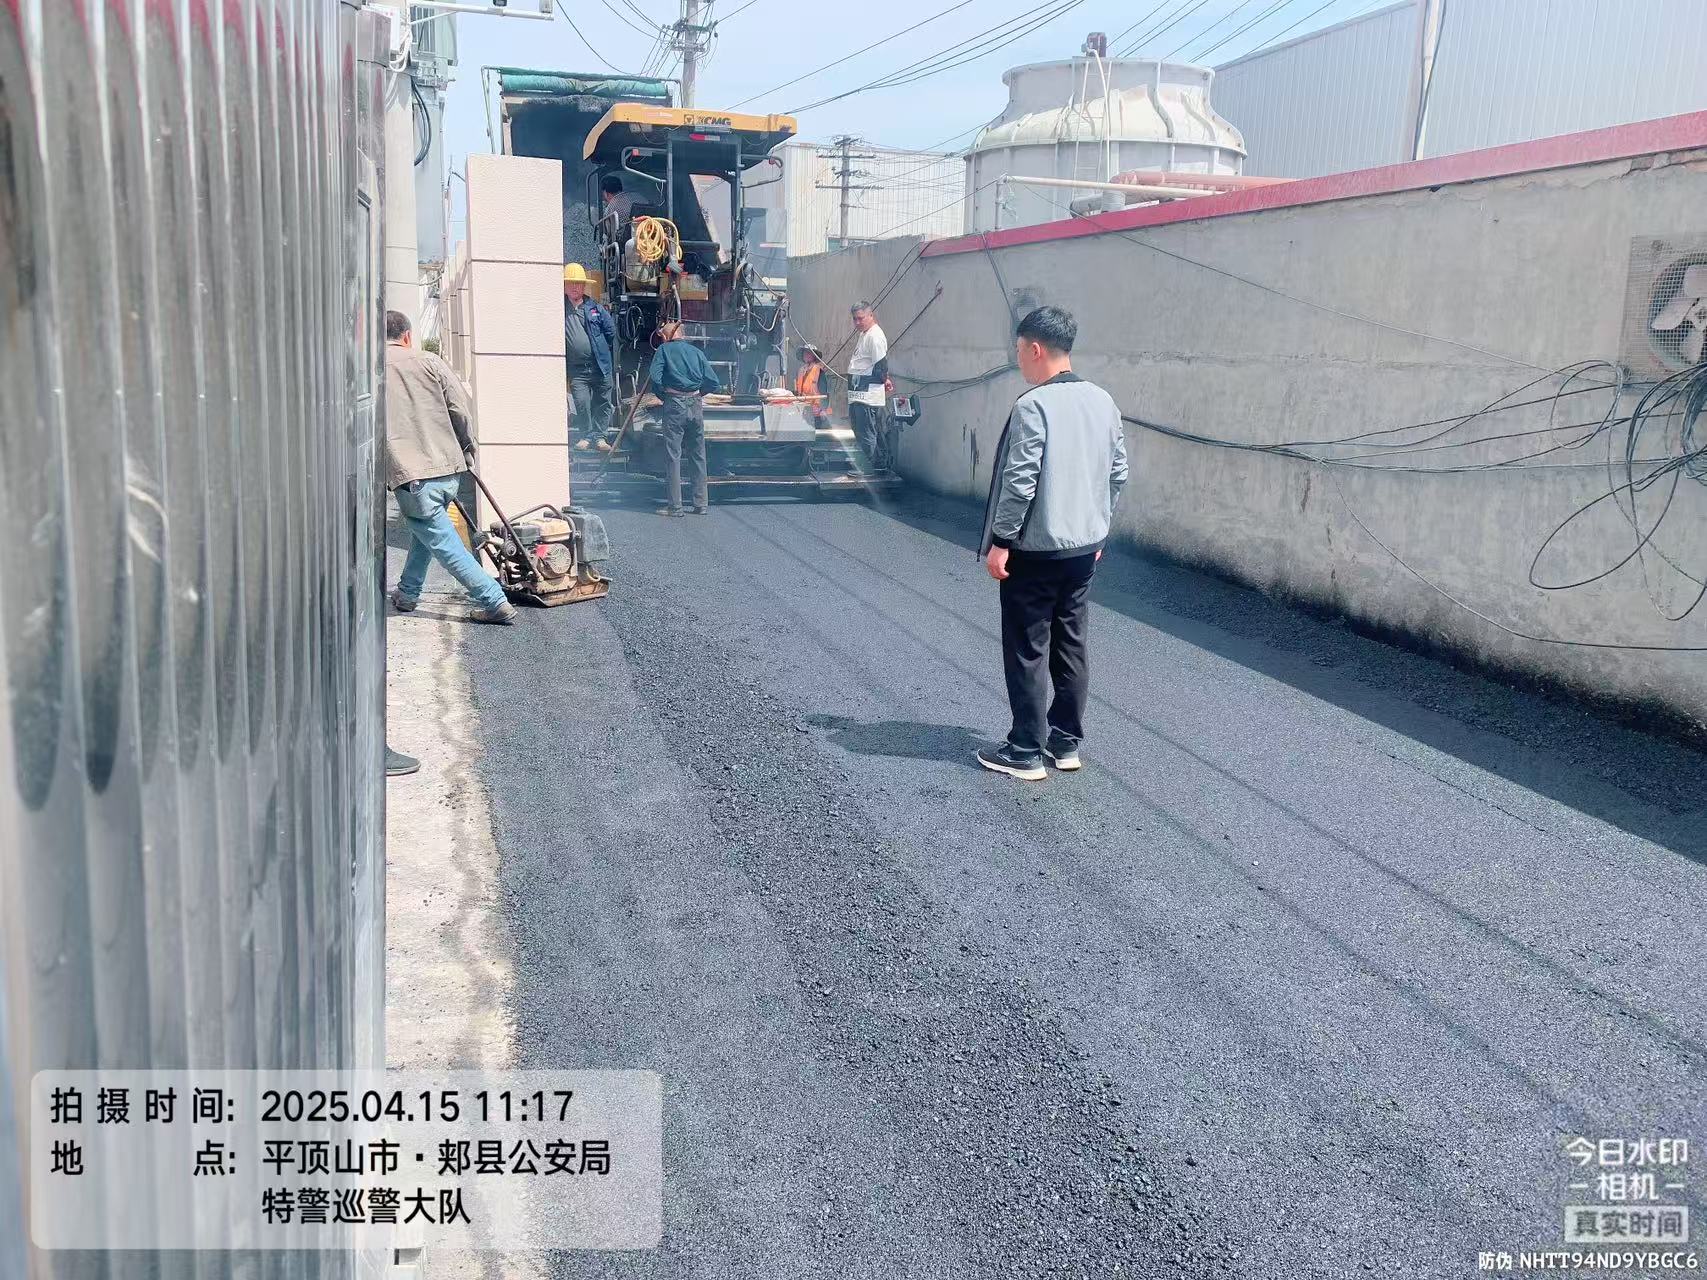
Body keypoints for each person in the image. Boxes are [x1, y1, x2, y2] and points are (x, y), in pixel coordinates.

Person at [976, 306, 1128, 781]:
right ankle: (1065, 744)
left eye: (1020, 350)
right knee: (1071, 642)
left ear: (1036, 349)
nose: (1019, 358)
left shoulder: (1033, 405)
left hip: (1035, 550)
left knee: (1028, 646)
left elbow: (1020, 480)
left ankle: (1024, 749)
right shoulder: (1103, 401)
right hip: (1084, 550)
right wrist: (1099, 529)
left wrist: (1001, 540)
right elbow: (1118, 473)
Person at [383, 310, 517, 624]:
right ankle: (408, 592)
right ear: (407, 336)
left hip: (412, 475)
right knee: (427, 531)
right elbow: (460, 409)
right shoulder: (430, 361)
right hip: (448, 468)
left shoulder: (373, 370)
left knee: (444, 542)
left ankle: (494, 600)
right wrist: (468, 450)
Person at [647, 321, 721, 517]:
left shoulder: (663, 350)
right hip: (695, 404)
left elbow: (655, 377)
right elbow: (714, 382)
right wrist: (698, 394)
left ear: (666, 336)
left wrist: (664, 396)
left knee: (673, 456)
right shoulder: (696, 352)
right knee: (698, 455)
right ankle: (701, 504)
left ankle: (675, 507)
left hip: (674, 405)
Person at [563, 263, 616, 452]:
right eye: (571, 283)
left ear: (584, 286)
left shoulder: (595, 308)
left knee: (603, 402)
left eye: (578, 283)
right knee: (581, 403)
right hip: (577, 369)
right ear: (564, 286)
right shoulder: (559, 308)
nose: (574, 287)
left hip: (600, 366)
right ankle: (586, 435)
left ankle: (600, 437)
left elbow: (610, 331)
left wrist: (600, 350)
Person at [846, 301, 890, 467]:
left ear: (871, 316)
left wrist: (884, 379)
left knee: (867, 433)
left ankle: (867, 468)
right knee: (862, 431)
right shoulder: (864, 334)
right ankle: (875, 465)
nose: (857, 322)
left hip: (867, 397)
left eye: (861, 318)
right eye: (855, 319)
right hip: (858, 395)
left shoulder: (874, 336)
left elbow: (881, 365)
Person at [793, 343, 832, 428]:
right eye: (805, 353)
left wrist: (823, 410)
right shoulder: (801, 371)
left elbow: (825, 392)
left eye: (809, 353)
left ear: (814, 356)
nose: (806, 355)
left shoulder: (819, 371)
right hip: (805, 411)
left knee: (822, 434)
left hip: (818, 412)